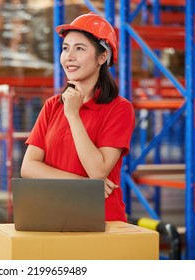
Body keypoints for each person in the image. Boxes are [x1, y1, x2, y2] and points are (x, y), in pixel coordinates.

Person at [20, 12, 135, 222]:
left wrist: (73, 115)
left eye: (79, 48)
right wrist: (84, 185)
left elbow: (98, 171)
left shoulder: (119, 109)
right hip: (52, 216)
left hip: (101, 220)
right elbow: (28, 167)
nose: (68, 56)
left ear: (103, 57)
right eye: (65, 48)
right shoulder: (52, 106)